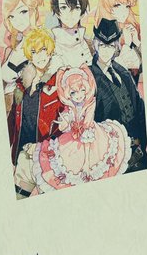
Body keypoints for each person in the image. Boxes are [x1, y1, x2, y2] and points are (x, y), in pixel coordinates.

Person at [14, 65, 130, 197]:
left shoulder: (90, 103)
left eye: (82, 91)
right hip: (72, 137)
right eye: (74, 93)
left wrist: (80, 127)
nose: (79, 96)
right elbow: (65, 122)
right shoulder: (69, 107)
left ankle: (88, 172)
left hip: (90, 134)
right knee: (61, 159)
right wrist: (65, 123)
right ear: (68, 94)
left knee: (92, 156)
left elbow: (88, 121)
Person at [90, 18, 147, 172]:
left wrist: (142, 141)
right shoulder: (89, 77)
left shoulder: (123, 72)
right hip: (111, 156)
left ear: (116, 47)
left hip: (139, 152)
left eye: (110, 46)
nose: (106, 50)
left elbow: (140, 108)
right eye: (102, 45)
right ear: (96, 45)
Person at [8, 28, 63, 175]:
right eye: (34, 52)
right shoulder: (21, 84)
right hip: (20, 157)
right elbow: (12, 120)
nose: (39, 56)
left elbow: (63, 126)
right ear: (29, 56)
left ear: (50, 51)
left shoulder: (58, 82)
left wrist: (41, 147)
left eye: (43, 50)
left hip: (47, 160)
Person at [0, 0, 44, 112]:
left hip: (30, 105)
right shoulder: (13, 46)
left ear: (33, 10)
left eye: (23, 12)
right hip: (12, 107)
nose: (17, 20)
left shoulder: (42, 41)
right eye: (11, 16)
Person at [94, 0, 142, 84]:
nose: (124, 11)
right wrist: (126, 45)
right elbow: (111, 71)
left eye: (127, 6)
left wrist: (137, 42)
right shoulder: (102, 34)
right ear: (106, 6)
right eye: (117, 5)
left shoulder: (133, 30)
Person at [49, 0, 93, 70]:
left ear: (82, 13)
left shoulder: (89, 45)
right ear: (57, 13)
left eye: (76, 7)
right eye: (64, 7)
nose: (70, 13)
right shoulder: (51, 46)